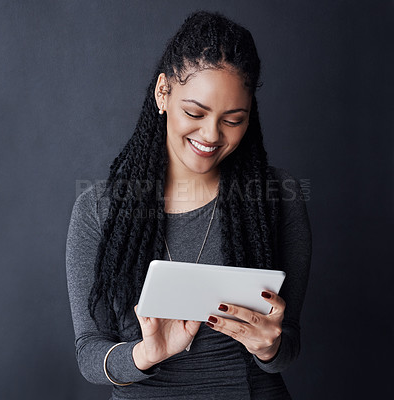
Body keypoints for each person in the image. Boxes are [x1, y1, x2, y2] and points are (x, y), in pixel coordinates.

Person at [66, 10, 311, 400]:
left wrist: (270, 347)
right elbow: (89, 352)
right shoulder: (98, 208)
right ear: (163, 93)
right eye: (194, 113)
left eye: (234, 119)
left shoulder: (278, 196)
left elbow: (288, 344)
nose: (211, 135)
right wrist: (146, 353)